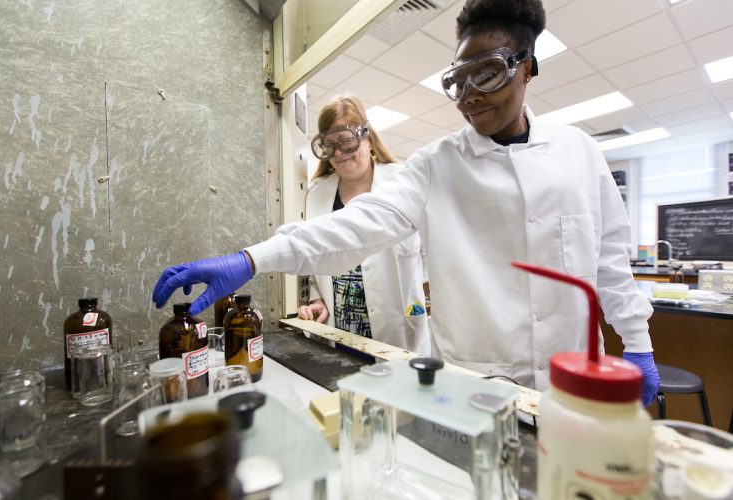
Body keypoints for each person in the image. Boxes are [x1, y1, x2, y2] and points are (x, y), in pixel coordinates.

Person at [152, 0, 660, 405]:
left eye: (485, 75)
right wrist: (252, 258)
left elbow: (609, 262)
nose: (468, 96)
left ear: (526, 68)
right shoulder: (436, 165)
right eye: (457, 81)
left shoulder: (580, 153)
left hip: (570, 374)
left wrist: (637, 342)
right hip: (475, 380)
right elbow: (356, 226)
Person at [297, 94, 430, 354]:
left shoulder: (402, 183)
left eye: (346, 141)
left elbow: (429, 255)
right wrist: (317, 298)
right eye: (329, 145)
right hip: (339, 333)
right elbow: (313, 260)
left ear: (367, 137)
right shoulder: (317, 195)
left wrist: (418, 297)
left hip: (396, 332)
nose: (338, 153)